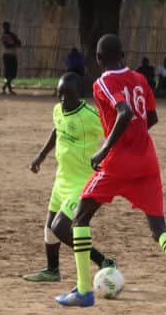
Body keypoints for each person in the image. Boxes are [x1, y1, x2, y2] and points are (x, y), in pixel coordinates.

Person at [55, 34, 166, 315]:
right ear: (123, 54)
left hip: (118, 161)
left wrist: (104, 149)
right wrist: (135, 139)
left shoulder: (103, 82)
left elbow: (124, 112)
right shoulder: (139, 79)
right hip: (147, 160)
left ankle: (84, 290)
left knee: (80, 217)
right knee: (159, 228)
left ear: (98, 59)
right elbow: (151, 118)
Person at [24, 72, 115, 283]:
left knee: (61, 227)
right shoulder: (58, 110)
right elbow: (57, 130)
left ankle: (103, 262)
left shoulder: (91, 117)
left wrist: (106, 157)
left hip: (81, 182)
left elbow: (113, 132)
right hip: (61, 179)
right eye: (60, 94)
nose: (63, 99)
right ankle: (52, 270)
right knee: (49, 228)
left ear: (79, 95)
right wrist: (41, 156)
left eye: (68, 95)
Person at [0, 21, 22, 94]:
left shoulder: (12, 35)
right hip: (7, 55)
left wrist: (15, 42)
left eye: (7, 26)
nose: (6, 28)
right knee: (10, 74)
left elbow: (19, 43)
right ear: (3, 27)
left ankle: (6, 87)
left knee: (12, 74)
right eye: (5, 27)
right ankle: (8, 89)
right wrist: (15, 42)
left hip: (12, 55)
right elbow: (7, 45)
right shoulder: (4, 36)